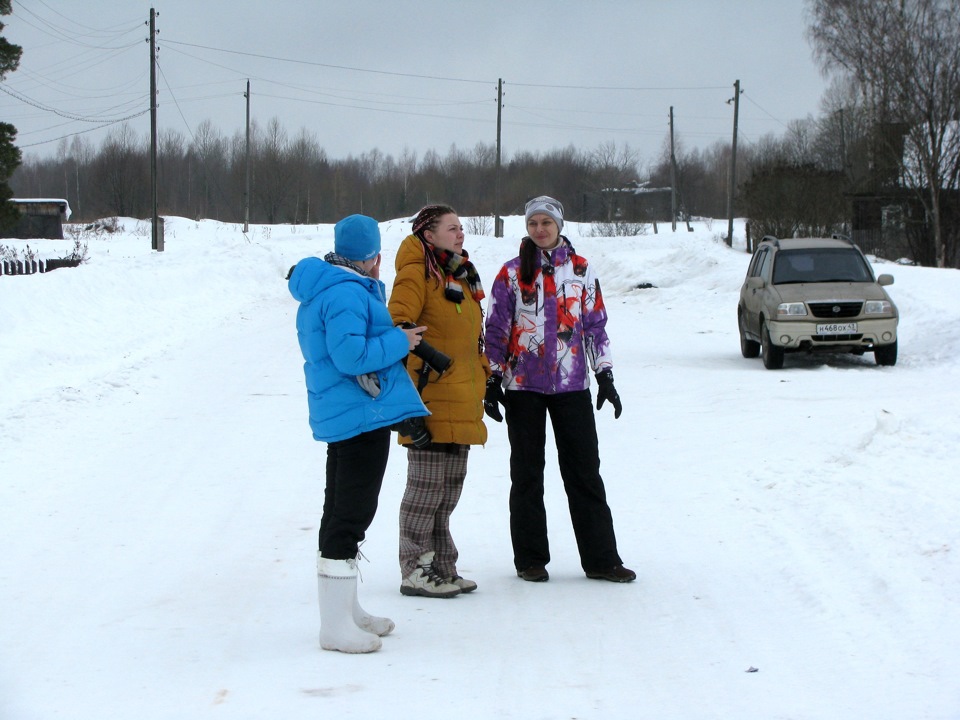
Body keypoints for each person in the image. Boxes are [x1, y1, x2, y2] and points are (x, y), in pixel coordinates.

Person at [287, 213, 429, 653]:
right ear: (374, 257)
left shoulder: (328, 287)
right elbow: (351, 356)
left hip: (349, 414)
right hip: (359, 416)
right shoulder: (347, 290)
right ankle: (334, 627)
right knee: (349, 515)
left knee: (342, 512)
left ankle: (346, 612)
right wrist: (400, 343)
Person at [483, 196, 635, 584]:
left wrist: (605, 376)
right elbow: (497, 328)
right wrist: (492, 378)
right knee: (527, 474)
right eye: (532, 223)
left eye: (545, 222)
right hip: (523, 387)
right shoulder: (512, 272)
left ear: (559, 225)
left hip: (571, 386)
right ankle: (530, 559)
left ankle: (602, 559)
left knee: (585, 472)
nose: (539, 229)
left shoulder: (581, 269)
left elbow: (595, 325)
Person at [388, 205, 489, 598]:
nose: (460, 234)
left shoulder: (460, 276)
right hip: (429, 396)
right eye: (452, 228)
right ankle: (414, 568)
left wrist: (486, 373)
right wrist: (426, 356)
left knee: (447, 491)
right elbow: (397, 322)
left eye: (462, 227)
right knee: (424, 491)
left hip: (463, 395)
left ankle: (442, 566)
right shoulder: (417, 272)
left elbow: (469, 339)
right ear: (428, 235)